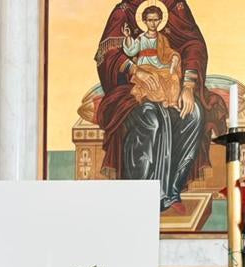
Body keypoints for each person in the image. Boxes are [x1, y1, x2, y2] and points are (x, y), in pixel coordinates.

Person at [95, 0, 225, 214]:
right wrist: (135, 70)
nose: (154, 23)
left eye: (156, 20)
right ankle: (141, 194)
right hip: (132, 88)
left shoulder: (177, 7)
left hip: (170, 83)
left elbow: (194, 46)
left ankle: (172, 191)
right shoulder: (124, 11)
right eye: (150, 20)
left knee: (194, 115)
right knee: (151, 119)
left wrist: (188, 86)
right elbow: (108, 55)